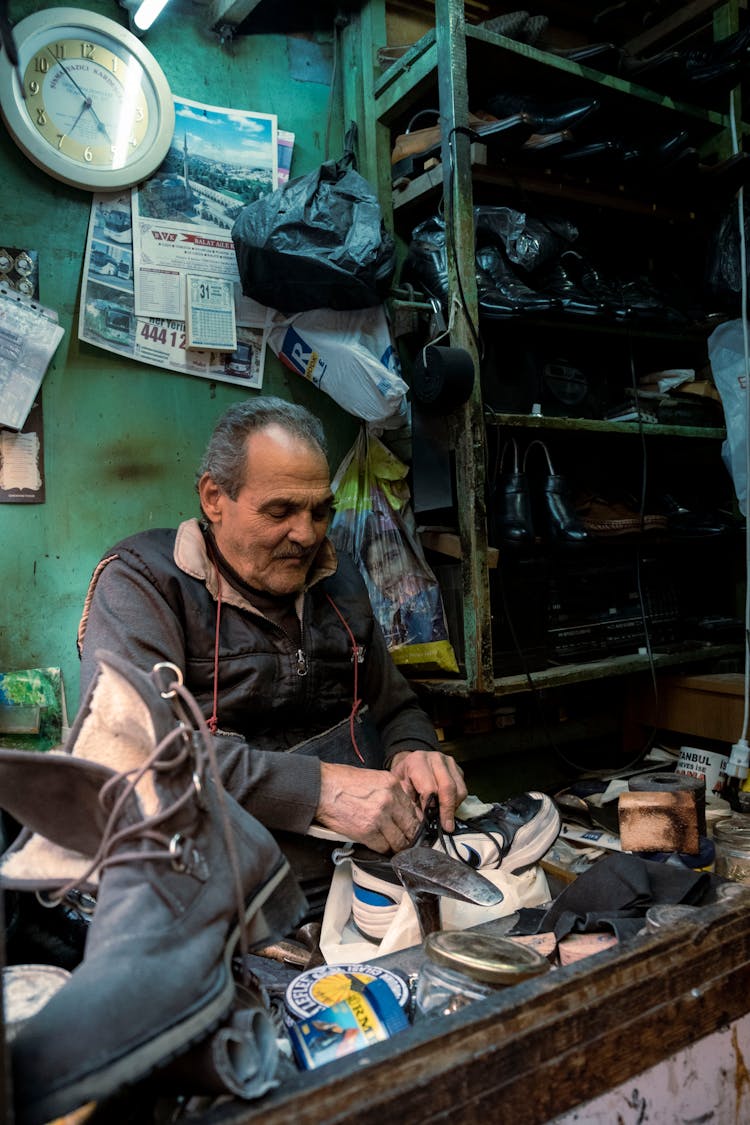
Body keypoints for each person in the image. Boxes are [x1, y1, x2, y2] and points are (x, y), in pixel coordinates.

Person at [77, 396, 467, 860]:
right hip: (218, 878)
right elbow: (127, 752)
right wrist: (320, 790)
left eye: (320, 512)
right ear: (214, 498)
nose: (306, 535)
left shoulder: (338, 579)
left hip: (358, 862)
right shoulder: (145, 582)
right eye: (280, 512)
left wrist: (411, 751)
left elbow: (395, 707)